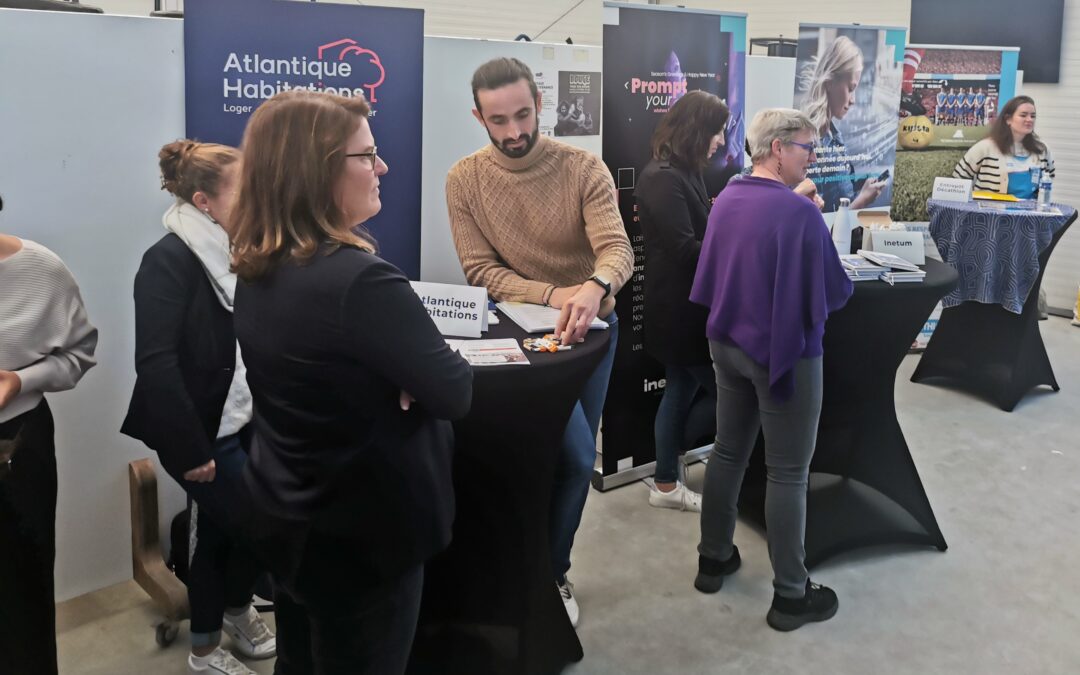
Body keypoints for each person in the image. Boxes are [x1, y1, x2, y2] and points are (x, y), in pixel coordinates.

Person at [230, 89, 473, 675]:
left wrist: (401, 371)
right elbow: (455, 390)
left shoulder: (259, 266)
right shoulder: (360, 283)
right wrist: (409, 373)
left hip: (289, 519)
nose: (382, 167)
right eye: (366, 155)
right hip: (366, 539)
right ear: (316, 173)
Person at [446, 57, 633, 627]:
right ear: (477, 115)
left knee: (572, 463)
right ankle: (526, 566)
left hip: (594, 334)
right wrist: (556, 294)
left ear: (540, 104)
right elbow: (480, 271)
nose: (513, 132)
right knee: (570, 457)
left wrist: (596, 285)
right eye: (498, 120)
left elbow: (617, 251)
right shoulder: (464, 179)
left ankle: (553, 569)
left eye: (522, 115)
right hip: (520, 342)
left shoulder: (582, 167)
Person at [689, 109, 853, 632]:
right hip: (783, 354)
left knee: (729, 450)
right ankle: (790, 595)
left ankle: (713, 559)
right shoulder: (799, 214)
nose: (811, 158)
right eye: (807, 147)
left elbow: (714, 271)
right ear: (778, 148)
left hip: (726, 343)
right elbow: (833, 292)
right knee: (787, 471)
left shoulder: (728, 198)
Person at [121, 141, 276, 675]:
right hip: (199, 434)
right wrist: (191, 449)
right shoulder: (167, 261)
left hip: (247, 423)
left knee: (234, 530)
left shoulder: (241, 250)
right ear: (205, 202)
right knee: (251, 526)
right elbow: (156, 365)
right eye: (245, 190)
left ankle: (231, 613)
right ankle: (206, 654)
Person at [0, 192, 98, 675]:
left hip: (18, 444)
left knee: (23, 590)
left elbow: (79, 354)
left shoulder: (40, 270)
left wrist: (20, 380)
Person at [635, 91, 729, 513]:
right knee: (728, 395)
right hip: (680, 311)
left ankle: (667, 481)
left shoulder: (685, 171)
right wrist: (735, 241)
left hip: (690, 306)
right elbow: (685, 249)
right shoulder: (663, 177)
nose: (721, 142)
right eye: (716, 131)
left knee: (680, 392)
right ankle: (669, 478)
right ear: (697, 129)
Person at [799, 35, 885, 211]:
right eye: (850, 89)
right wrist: (862, 201)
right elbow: (815, 220)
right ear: (830, 83)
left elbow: (839, 195)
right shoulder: (809, 142)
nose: (853, 100)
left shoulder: (834, 135)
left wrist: (861, 186)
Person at [953, 95, 1054, 198]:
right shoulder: (985, 147)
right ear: (1008, 119)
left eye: (1033, 116)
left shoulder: (1042, 150)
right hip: (990, 213)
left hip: (1029, 214)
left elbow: (1048, 180)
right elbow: (958, 179)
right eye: (1023, 115)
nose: (1029, 119)